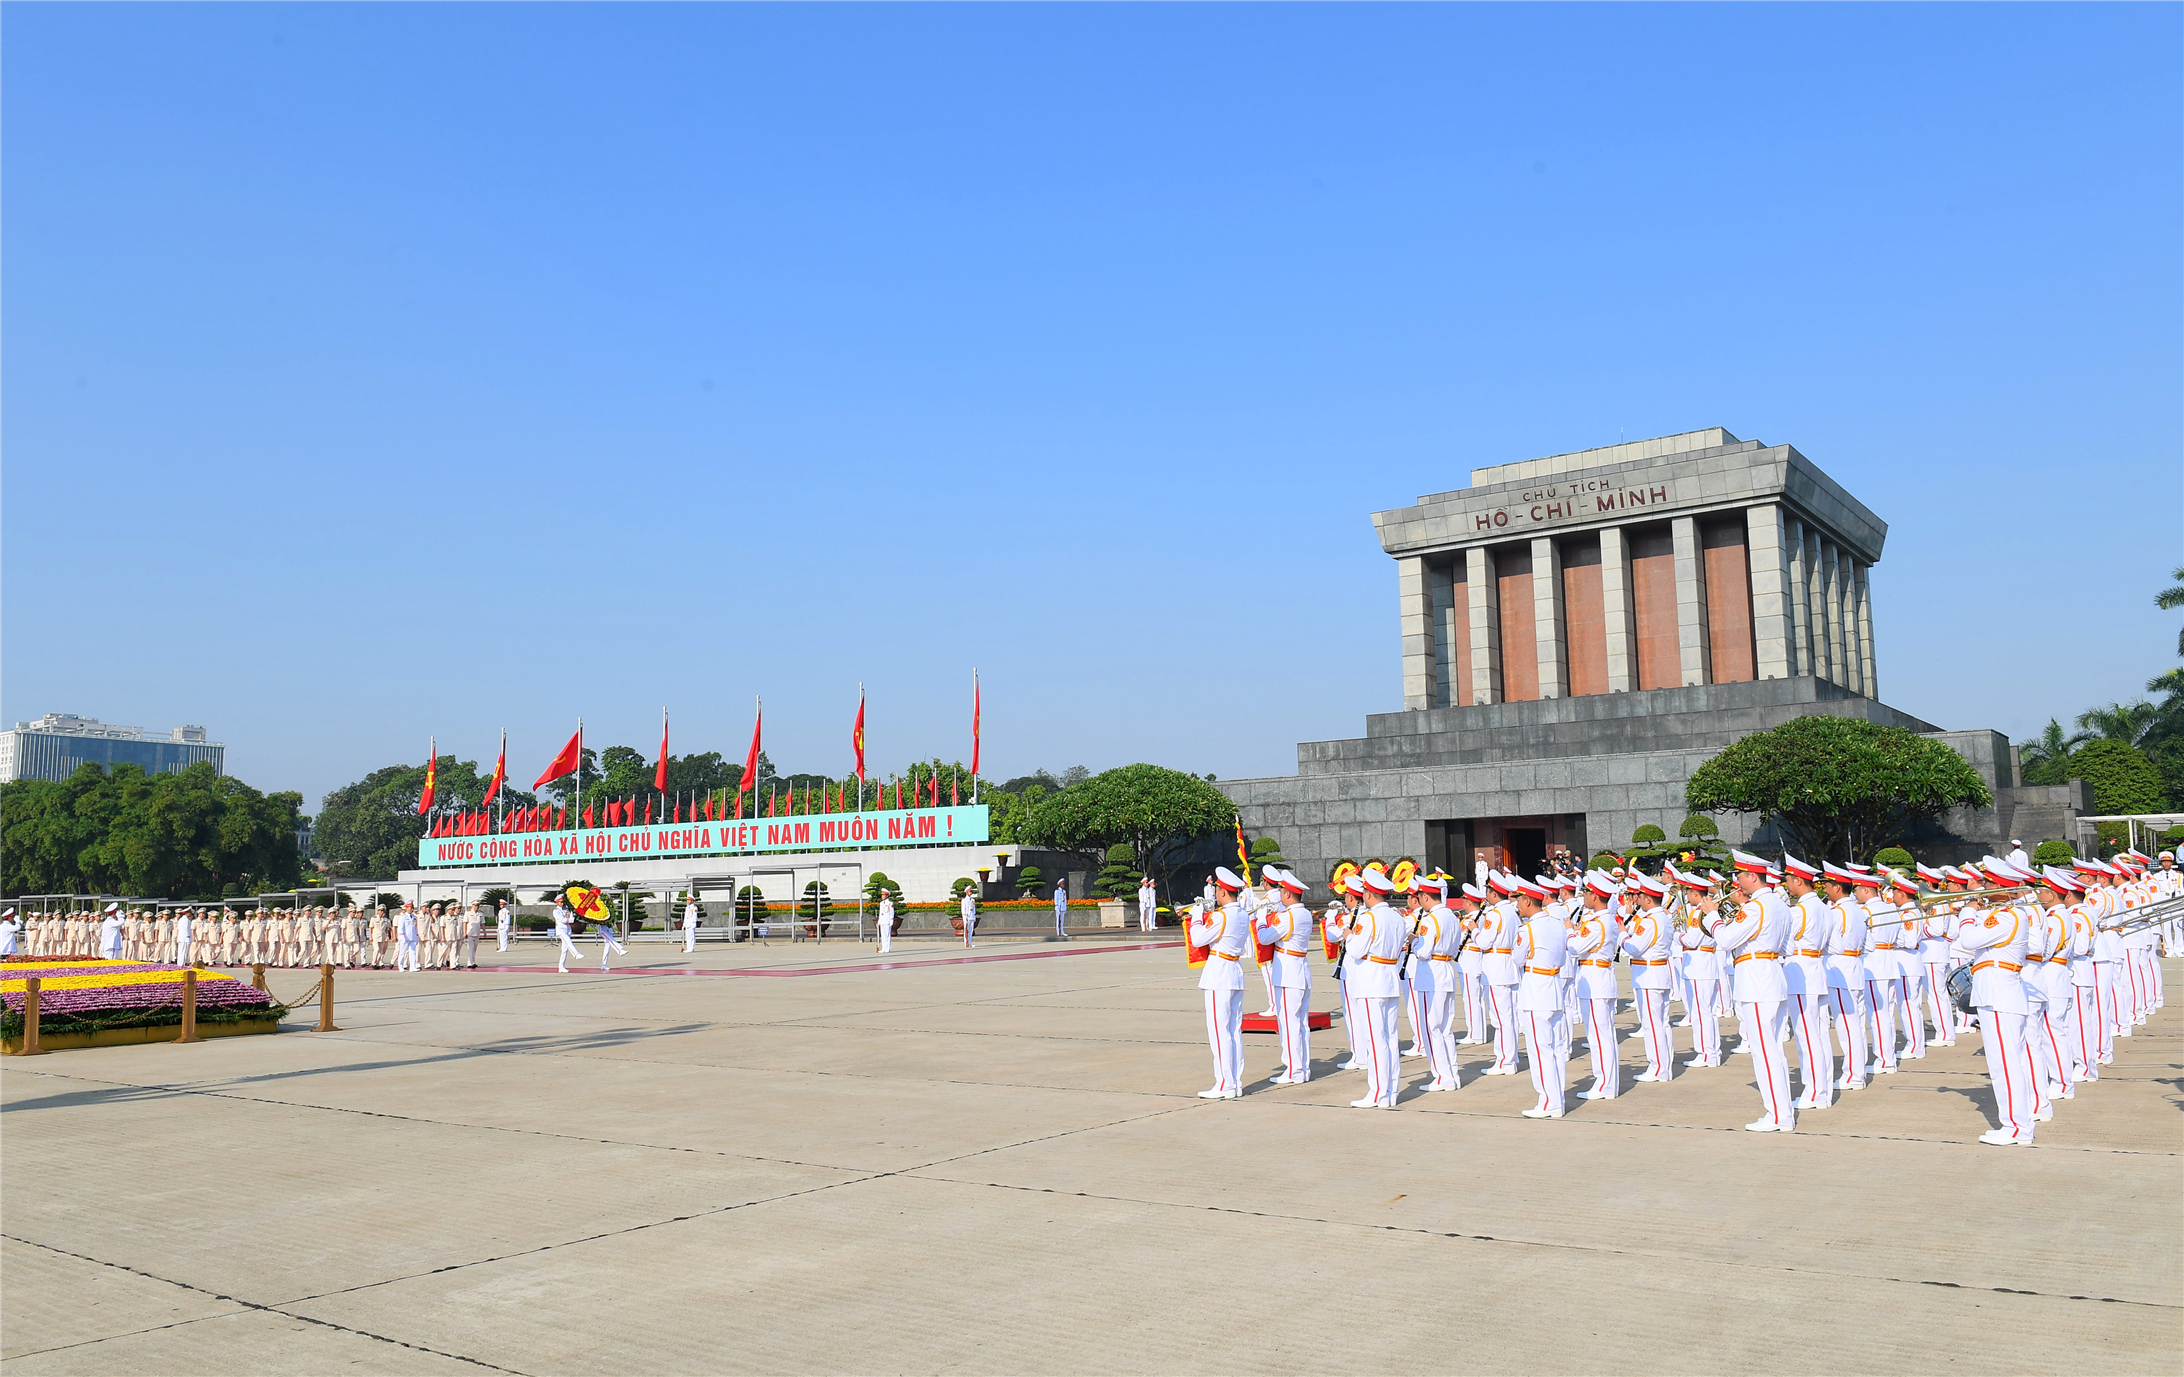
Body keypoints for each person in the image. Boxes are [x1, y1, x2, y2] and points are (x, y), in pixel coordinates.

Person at [1714, 850, 1795, 1133]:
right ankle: (1782, 1110)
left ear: (1751, 876)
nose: (1736, 881)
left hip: (1757, 981)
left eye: (1739, 875)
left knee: (1764, 1052)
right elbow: (1788, 948)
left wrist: (1713, 916)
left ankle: (1777, 1114)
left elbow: (1724, 940)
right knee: (1773, 1049)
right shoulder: (1779, 905)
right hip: (1772, 976)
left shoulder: (1755, 907)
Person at [1958, 864, 2037, 1145]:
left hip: (2000, 995)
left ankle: (2018, 1128)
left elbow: (1967, 939)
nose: (1983, 890)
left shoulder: (2006, 917)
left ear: (2002, 889)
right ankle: (2013, 1125)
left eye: (1988, 885)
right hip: (1997, 994)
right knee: (2002, 1064)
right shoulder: (2002, 915)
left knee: (2007, 1064)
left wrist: (1968, 909)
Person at [1342, 870, 1406, 1109]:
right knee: (1389, 1038)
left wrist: (1348, 936)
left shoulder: (1369, 918)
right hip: (1389, 978)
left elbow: (1356, 950)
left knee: (1375, 1039)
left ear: (1368, 894)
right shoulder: (1397, 916)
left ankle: (1378, 1091)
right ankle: (1390, 1090)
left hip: (1371, 981)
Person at [1191, 867, 1252, 1099]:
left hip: (1219, 974)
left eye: (1217, 889)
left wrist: (1197, 916)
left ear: (1223, 891)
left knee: (1219, 1032)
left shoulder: (1222, 915)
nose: (1215, 893)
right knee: (1234, 1032)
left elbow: (1198, 938)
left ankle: (1224, 1083)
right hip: (1234, 971)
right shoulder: (1243, 914)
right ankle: (1235, 1082)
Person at [1779, 857, 1834, 1111]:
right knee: (1819, 1035)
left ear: (1798, 880)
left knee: (1806, 1036)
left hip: (1801, 972)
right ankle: (1823, 1089)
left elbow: (1787, 944)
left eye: (1789, 880)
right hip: (1817, 969)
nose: (1788, 885)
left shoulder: (1800, 910)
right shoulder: (1825, 907)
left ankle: (1815, 1092)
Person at [1512, 878, 1569, 1119]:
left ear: (1527, 901)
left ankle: (1548, 1101)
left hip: (1536, 990)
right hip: (1554, 986)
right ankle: (1557, 1097)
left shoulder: (1527, 929)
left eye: (1518, 901)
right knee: (1554, 1048)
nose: (1517, 906)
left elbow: (1517, 959)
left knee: (1539, 1049)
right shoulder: (1557, 924)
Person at [1255, 869, 1316, 1085]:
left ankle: (1293, 1070)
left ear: (1288, 894)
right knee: (1301, 1024)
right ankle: (1302, 1067)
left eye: (1282, 891)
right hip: (1300, 971)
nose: (1280, 895)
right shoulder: (1305, 913)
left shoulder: (1288, 917)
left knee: (1289, 1023)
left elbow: (1264, 937)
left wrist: (1261, 919)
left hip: (1289, 974)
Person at [552, 899, 582, 974]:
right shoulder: (556, 911)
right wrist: (570, 920)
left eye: (563, 902)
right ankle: (576, 954)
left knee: (564, 950)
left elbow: (571, 916)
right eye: (560, 902)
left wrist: (571, 915)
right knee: (568, 941)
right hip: (561, 929)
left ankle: (561, 967)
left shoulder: (566, 909)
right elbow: (561, 919)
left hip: (567, 929)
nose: (562, 903)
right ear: (557, 902)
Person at [397, 903, 422, 972]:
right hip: (405, 937)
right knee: (402, 952)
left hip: (412, 937)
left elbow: (415, 927)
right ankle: (401, 966)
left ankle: (412, 967)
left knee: (412, 952)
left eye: (412, 908)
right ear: (406, 908)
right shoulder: (403, 917)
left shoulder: (414, 917)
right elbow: (401, 928)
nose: (412, 909)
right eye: (410, 907)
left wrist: (416, 936)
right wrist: (402, 936)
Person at [461, 902, 483, 968]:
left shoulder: (480, 913)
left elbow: (482, 923)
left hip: (477, 933)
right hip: (469, 933)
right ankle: (471, 962)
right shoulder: (468, 913)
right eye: (475, 905)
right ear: (472, 906)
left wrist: (484, 931)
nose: (476, 907)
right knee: (471, 948)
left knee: (474, 949)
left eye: (478, 906)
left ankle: (471, 962)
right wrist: (464, 932)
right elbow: (465, 923)